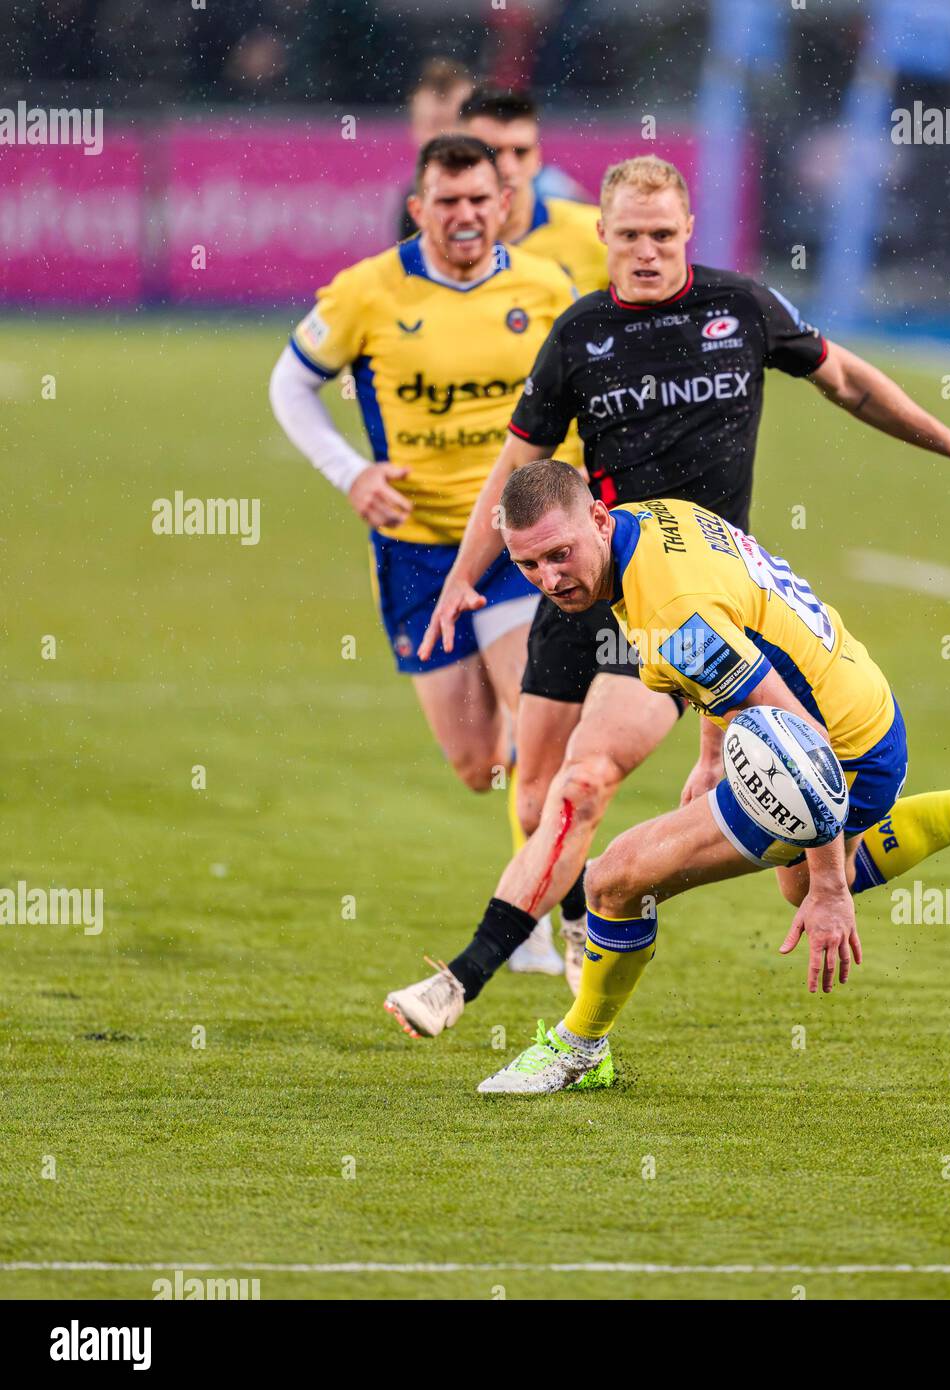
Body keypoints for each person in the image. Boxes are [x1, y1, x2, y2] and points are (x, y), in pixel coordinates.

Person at [381, 154, 950, 1041]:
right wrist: (466, 573)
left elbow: (846, 382)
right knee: (535, 793)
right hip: (577, 576)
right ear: (603, 238)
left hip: (681, 596)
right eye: (628, 237)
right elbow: (518, 471)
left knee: (586, 785)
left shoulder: (741, 309)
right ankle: (585, 922)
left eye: (662, 234)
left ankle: (474, 979)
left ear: (688, 229)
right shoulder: (580, 336)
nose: (647, 252)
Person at [475, 464, 950, 1093]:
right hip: (865, 708)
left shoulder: (670, 615)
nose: (549, 577)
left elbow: (802, 748)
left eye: (558, 554)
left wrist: (831, 892)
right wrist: (711, 759)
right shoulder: (656, 521)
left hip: (833, 752)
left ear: (595, 516)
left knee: (614, 879)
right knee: (794, 880)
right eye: (528, 564)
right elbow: (740, 630)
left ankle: (578, 1050)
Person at [270, 137, 580, 972]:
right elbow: (289, 382)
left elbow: (586, 392)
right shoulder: (368, 291)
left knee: (538, 723)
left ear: (502, 202)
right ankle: (535, 826)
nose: (467, 215)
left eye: (480, 199)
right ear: (420, 208)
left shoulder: (546, 289)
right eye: (448, 202)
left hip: (520, 545)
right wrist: (350, 473)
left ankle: (551, 921)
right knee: (478, 763)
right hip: (415, 550)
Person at [459, 87, 608, 294]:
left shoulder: (599, 235)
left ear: (537, 156)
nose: (508, 168)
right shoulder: (430, 251)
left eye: (521, 152)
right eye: (491, 152)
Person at [397, 57, 475, 241]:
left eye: (453, 122)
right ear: (413, 130)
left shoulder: (536, 191)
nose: (443, 137)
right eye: (432, 125)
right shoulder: (414, 202)